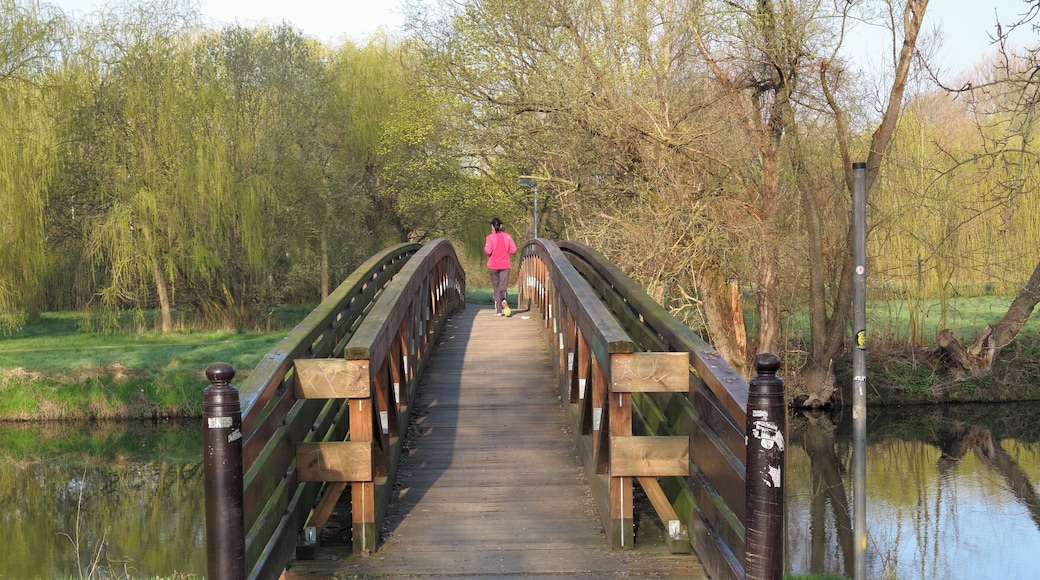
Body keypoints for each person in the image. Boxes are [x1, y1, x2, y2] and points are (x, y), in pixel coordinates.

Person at [484, 217, 517, 317]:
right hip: (505, 265)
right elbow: (514, 249)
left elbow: (488, 251)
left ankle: (499, 310)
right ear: (501, 226)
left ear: (492, 227)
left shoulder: (489, 238)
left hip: (493, 265)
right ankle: (503, 299)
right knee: (503, 286)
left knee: (496, 287)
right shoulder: (508, 236)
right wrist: (507, 252)